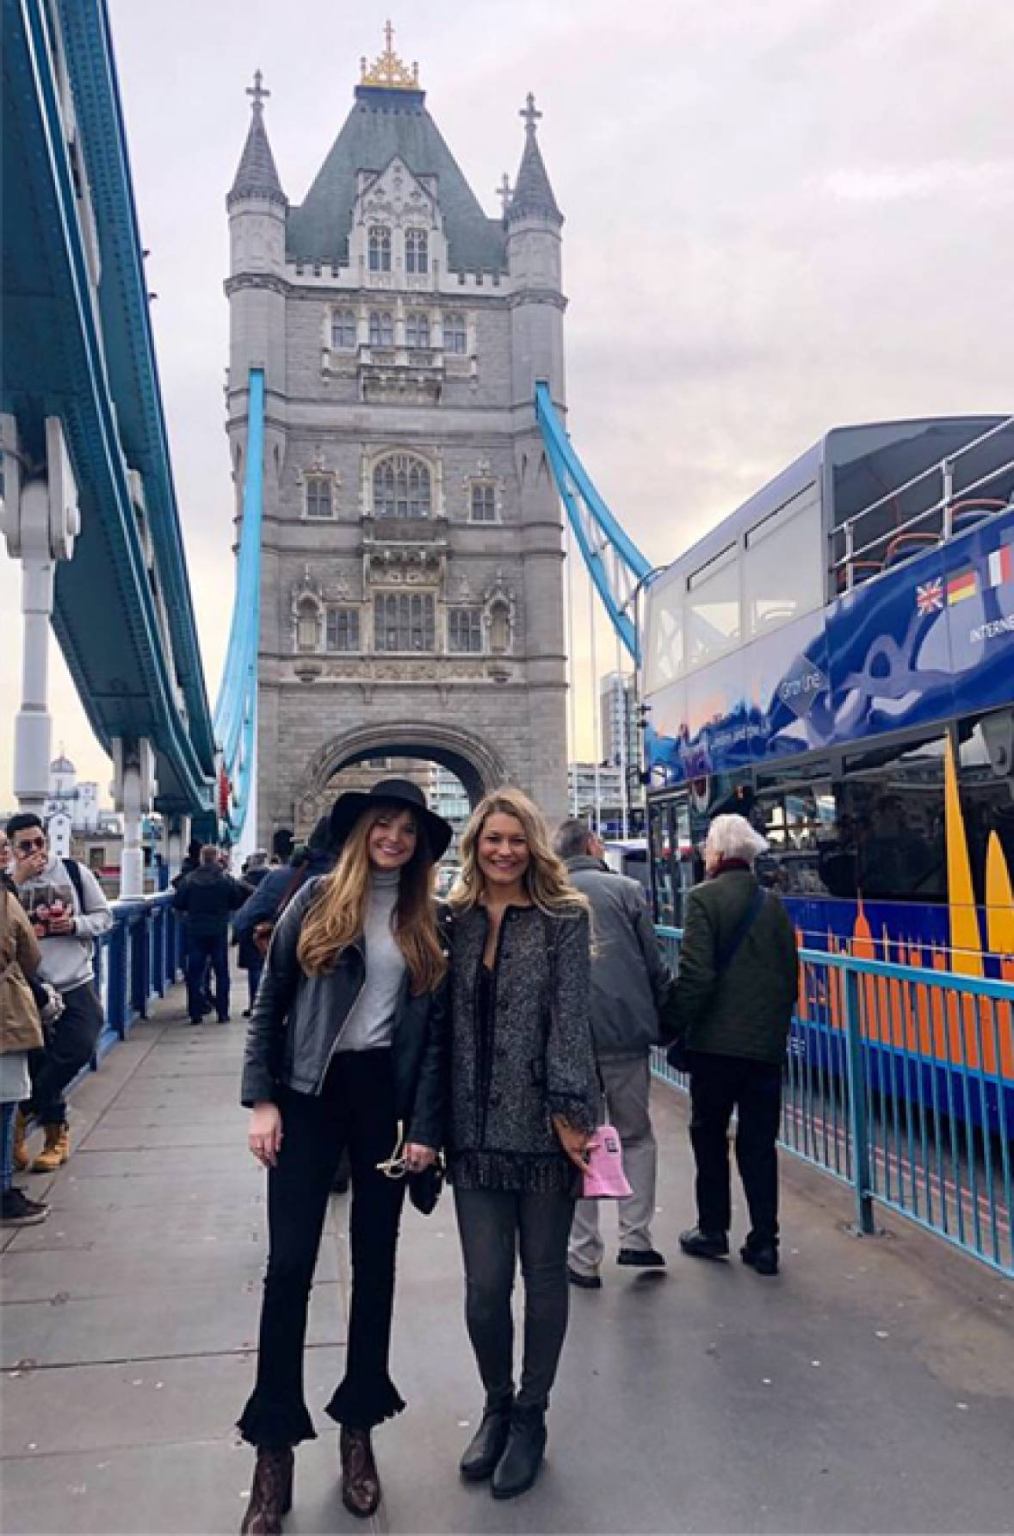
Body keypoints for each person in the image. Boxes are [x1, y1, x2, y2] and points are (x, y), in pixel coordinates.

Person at [237, 779, 452, 1532]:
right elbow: (272, 999)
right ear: (361, 830)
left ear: (421, 844)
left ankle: (358, 1430)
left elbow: (433, 1045)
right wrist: (261, 1099)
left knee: (376, 1266)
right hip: (306, 1089)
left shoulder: (429, 918)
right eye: (382, 824)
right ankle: (273, 1448)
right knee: (288, 1267)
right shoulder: (319, 897)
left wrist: (425, 1127)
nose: (393, 837)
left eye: (407, 829)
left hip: (381, 1100)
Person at [446, 788, 597, 1501]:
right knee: (483, 1290)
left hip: (544, 1129)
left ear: (532, 845)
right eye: (491, 840)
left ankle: (531, 1416)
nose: (503, 851)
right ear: (475, 846)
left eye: (515, 840)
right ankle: (496, 1403)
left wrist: (572, 1113)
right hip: (472, 1132)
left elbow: (571, 1020)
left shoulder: (565, 918)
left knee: (542, 1280)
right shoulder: (454, 922)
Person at [666, 813, 798, 1277]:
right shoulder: (773, 904)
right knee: (760, 1144)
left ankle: (713, 1229)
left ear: (717, 855)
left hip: (716, 1048)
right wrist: (773, 1030)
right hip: (764, 1047)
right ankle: (764, 1242)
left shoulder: (703, 899)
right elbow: (790, 976)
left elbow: (697, 974)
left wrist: (673, 1022)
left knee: (709, 1136)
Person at [553, 818, 672, 1287]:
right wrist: (664, 1018)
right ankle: (636, 1239)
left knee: (579, 1142)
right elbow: (653, 961)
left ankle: (582, 1258)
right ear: (593, 845)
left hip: (571, 1040)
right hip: (625, 1033)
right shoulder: (625, 890)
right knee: (635, 1134)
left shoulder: (548, 892)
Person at [6, 813, 112, 1173]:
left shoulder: (74, 872)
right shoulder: (6, 884)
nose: (35, 851)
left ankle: (21, 1116)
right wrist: (17, 880)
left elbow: (104, 917)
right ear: (12, 848)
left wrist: (75, 925)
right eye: (25, 846)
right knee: (40, 1058)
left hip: (75, 980)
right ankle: (54, 1137)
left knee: (78, 1046)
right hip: (30, 987)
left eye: (40, 842)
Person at [0, 833, 49, 1226]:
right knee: (4, 1103)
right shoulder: (4, 898)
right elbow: (29, 953)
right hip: (5, 1016)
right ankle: (2, 1192)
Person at [172, 845, 247, 1025]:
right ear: (217, 859)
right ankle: (223, 1013)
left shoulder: (189, 880)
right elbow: (237, 901)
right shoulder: (225, 880)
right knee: (222, 972)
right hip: (218, 930)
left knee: (195, 972)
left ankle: (195, 1013)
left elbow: (179, 903)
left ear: (201, 858)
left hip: (196, 930)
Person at [235, 851, 270, 1020]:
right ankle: (268, 1004)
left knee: (254, 969)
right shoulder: (272, 879)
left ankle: (254, 1004)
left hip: (249, 928)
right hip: (269, 926)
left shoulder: (243, 881)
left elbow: (236, 905)